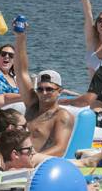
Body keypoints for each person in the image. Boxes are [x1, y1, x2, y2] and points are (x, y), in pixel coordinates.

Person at [12, 21, 74, 156]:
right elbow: (21, 71)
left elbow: (60, 149)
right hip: (16, 159)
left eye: (49, 89)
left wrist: (31, 160)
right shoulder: (32, 105)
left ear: (60, 91)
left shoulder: (62, 116)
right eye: (40, 89)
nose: (44, 93)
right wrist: (20, 37)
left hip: (37, 164)